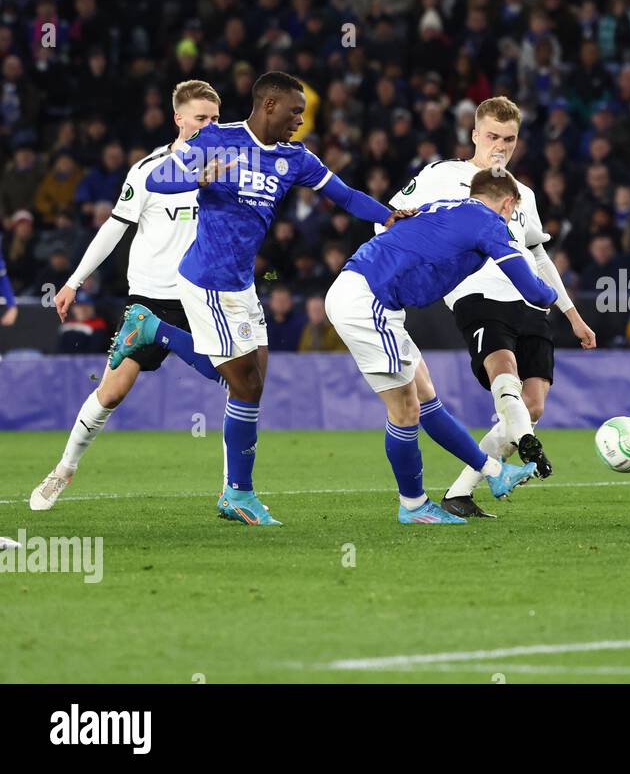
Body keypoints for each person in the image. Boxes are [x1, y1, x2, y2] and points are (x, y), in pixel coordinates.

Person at [109, 72, 402, 526]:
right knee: (243, 383)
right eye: (294, 112)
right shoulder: (215, 139)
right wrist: (198, 179)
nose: (300, 121)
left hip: (242, 283)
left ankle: (236, 491)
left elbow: (344, 196)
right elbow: (160, 180)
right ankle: (155, 332)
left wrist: (389, 216)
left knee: (253, 379)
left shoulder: (295, 157)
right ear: (268, 105)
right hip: (206, 279)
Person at [384, 96, 596, 519]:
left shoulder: (524, 195)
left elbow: (537, 256)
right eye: (493, 136)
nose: (500, 146)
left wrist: (572, 315)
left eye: (509, 139)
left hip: (530, 301)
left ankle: (461, 492)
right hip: (476, 294)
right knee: (505, 375)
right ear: (475, 135)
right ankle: (530, 450)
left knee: (531, 406)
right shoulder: (444, 175)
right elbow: (389, 218)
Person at [32, 80, 226, 511]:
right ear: (178, 119)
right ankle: (63, 469)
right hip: (152, 296)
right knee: (113, 392)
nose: (209, 126)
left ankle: (236, 490)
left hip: (204, 295)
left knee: (241, 382)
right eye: (200, 118)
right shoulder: (148, 170)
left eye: (215, 118)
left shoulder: (227, 169)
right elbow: (113, 229)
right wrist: (73, 282)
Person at [325, 168, 554, 523]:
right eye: (510, 212)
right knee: (405, 411)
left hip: (370, 294)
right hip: (368, 299)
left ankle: (494, 473)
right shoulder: (489, 222)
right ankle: (414, 506)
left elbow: (400, 232)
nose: (509, 220)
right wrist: (554, 295)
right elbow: (533, 290)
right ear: (508, 203)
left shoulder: (442, 206)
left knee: (426, 397)